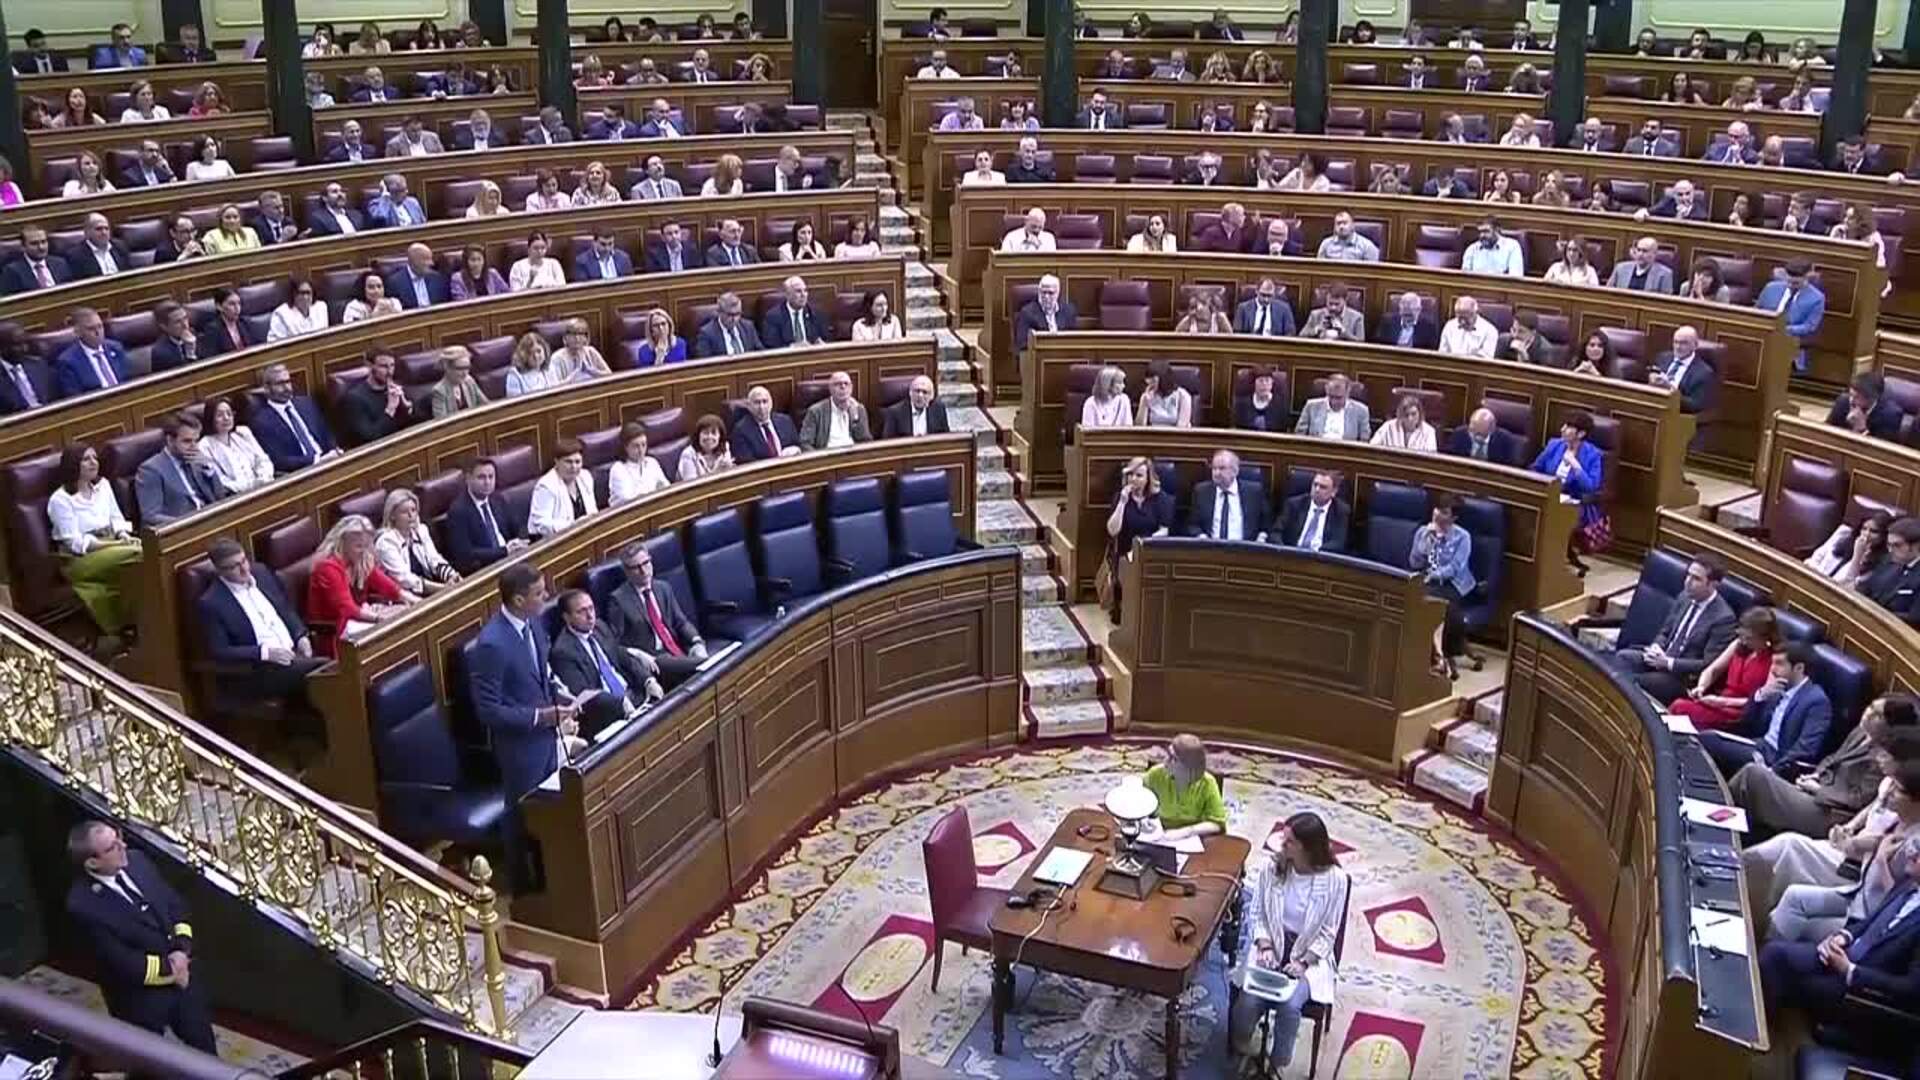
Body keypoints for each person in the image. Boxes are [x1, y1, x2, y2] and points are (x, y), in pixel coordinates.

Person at [65, 821, 216, 1055]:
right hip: (140, 998)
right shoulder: (83, 904)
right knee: (146, 1061)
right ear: (92, 863)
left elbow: (175, 906)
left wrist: (182, 950)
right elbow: (120, 961)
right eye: (112, 847)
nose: (123, 846)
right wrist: (172, 970)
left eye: (119, 837)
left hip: (183, 977)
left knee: (205, 1051)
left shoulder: (138, 861)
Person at [1229, 811, 1349, 1078]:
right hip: (1271, 943)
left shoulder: (1335, 880)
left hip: (1308, 955)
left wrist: (1303, 962)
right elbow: (1257, 913)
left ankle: (1277, 1062)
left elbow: (1329, 932)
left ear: (1308, 848)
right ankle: (1242, 1046)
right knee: (1249, 999)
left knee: (1290, 1005)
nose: (1282, 845)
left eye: (1289, 842)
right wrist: (1264, 945)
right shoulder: (1271, 868)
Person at [1763, 770, 1920, 944]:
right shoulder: (1896, 821)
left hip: (1869, 921)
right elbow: (1864, 847)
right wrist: (1849, 836)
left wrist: (1881, 861)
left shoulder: (1915, 845)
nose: (1888, 792)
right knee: (1793, 896)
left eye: (1897, 789)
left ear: (1916, 801)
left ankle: (1766, 954)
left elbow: (1899, 902)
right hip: (1855, 896)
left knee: (1789, 914)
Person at [1735, 696, 1917, 841]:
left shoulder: (1885, 757)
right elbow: (1834, 758)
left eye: (1877, 714)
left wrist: (1819, 790)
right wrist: (1815, 775)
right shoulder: (1861, 731)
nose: (1868, 713)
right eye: (1870, 706)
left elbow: (1859, 799)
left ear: (1890, 726)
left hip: (1832, 813)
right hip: (1816, 790)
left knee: (1753, 776)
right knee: (1752, 780)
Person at [473, 564, 581, 809]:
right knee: (527, 816)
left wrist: (561, 696)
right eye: (539, 593)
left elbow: (541, 673)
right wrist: (540, 716)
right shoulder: (492, 644)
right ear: (519, 600)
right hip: (520, 750)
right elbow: (488, 711)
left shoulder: (534, 622)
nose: (547, 595)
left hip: (547, 739)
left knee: (556, 814)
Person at [1698, 642, 1835, 779]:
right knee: (1707, 737)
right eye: (1772, 663)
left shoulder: (1816, 701)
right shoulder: (1777, 688)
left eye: (1779, 664)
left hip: (1774, 760)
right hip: (1759, 746)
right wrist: (1761, 695)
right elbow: (1748, 723)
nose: (1773, 670)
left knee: (1710, 743)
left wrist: (1772, 772)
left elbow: (1805, 749)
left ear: (1799, 668)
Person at [47, 445, 139, 637]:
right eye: (86, 459)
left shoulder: (103, 485)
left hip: (113, 545)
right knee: (140, 553)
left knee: (139, 558)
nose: (93, 462)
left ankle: (138, 624)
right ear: (73, 465)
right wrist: (117, 544)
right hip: (80, 559)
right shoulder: (60, 500)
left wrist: (123, 535)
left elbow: (116, 518)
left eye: (95, 458)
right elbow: (75, 544)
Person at [551, 588, 662, 733]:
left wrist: (647, 680)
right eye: (581, 612)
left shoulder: (600, 627)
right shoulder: (563, 651)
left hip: (633, 695)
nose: (590, 616)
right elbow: (584, 694)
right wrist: (619, 703)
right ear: (567, 617)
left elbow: (621, 656)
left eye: (591, 608)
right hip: (608, 713)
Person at [607, 541, 709, 689]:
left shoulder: (662, 588)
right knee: (708, 665)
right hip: (654, 659)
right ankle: (709, 662)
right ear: (627, 572)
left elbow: (681, 622)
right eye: (636, 567)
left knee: (701, 662)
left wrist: (697, 641)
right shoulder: (618, 600)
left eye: (646, 563)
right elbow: (615, 645)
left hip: (677, 649)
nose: (644, 571)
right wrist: (638, 654)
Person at [307, 515, 410, 655]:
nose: (364, 551)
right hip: (335, 634)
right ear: (342, 543)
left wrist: (415, 601)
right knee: (394, 631)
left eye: (366, 546)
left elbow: (389, 587)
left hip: (357, 623)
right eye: (358, 546)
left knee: (404, 614)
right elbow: (347, 609)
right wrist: (380, 618)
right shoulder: (327, 568)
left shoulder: (361, 561)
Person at [1669, 605, 1781, 732]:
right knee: (1679, 706)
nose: (1744, 641)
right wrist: (1701, 687)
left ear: (1765, 638)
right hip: (1718, 702)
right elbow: (1713, 670)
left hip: (1739, 712)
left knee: (1680, 707)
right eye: (1742, 636)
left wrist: (1722, 702)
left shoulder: (1775, 659)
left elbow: (1762, 699)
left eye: (1749, 638)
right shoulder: (1738, 644)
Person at [1532, 412, 1608, 572]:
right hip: (1549, 496)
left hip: (1576, 503)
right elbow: (1535, 468)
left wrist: (1576, 465)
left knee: (1554, 517)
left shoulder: (1593, 455)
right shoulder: (1554, 445)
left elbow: (1591, 487)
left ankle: (1553, 562)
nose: (1562, 429)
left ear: (1581, 434)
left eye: (1568, 427)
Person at [1411, 494, 1474, 674]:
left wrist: (1433, 576)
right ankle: (1436, 654)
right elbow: (1414, 562)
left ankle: (1436, 656)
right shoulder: (1422, 532)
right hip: (1427, 581)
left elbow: (1454, 568)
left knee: (1432, 603)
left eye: (1444, 512)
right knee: (1423, 599)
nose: (1438, 514)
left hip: (1453, 584)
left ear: (1454, 518)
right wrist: (1425, 541)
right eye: (1437, 509)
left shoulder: (1462, 537)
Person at [1104, 456, 1175, 617]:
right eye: (1130, 474)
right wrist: (1122, 503)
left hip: (1151, 551)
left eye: (1139, 475)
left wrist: (1142, 547)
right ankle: (1128, 614)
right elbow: (1112, 531)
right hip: (1125, 553)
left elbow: (1164, 530)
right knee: (1128, 571)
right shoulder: (1120, 497)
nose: (1133, 479)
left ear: (1148, 478)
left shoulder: (1161, 499)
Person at [134, 413, 224, 527]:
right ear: (170, 440)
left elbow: (220, 497)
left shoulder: (197, 460)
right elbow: (151, 516)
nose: (194, 446)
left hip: (211, 522)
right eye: (187, 441)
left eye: (196, 440)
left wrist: (209, 469)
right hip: (184, 529)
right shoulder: (150, 470)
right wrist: (189, 523)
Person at [446, 459, 530, 574]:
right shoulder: (458, 511)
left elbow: (519, 527)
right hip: (487, 568)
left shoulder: (497, 499)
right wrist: (504, 551)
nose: (487, 482)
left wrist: (520, 542)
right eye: (481, 477)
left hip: (512, 558)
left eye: (491, 477)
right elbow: (465, 553)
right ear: (468, 479)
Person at [251, 364, 339, 473]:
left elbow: (325, 433)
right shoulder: (262, 421)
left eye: (288, 382)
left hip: (330, 462)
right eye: (280, 384)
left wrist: (334, 451)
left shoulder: (306, 403)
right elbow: (279, 461)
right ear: (267, 388)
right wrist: (317, 460)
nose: (287, 388)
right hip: (303, 472)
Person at [1756, 258, 1829, 374]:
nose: (1790, 285)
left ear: (1807, 277)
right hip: (1764, 334)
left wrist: (1782, 330)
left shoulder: (1817, 298)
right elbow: (1757, 311)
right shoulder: (1771, 288)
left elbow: (1809, 326)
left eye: (1796, 283)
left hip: (1790, 339)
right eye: (1788, 282)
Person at [1185, 450, 1267, 542]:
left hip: (1245, 548)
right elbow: (1192, 525)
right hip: (1211, 548)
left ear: (1235, 471)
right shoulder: (1201, 491)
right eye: (1214, 468)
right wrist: (1201, 537)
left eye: (1222, 468)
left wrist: (1261, 537)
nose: (1216, 473)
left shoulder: (1254, 492)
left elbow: (1266, 525)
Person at [199, 395, 273, 495]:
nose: (226, 418)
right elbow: (220, 480)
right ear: (210, 418)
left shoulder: (243, 433)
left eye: (229, 414)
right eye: (220, 415)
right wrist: (251, 487)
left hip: (264, 487)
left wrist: (263, 479)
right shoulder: (204, 446)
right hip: (237, 496)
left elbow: (262, 459)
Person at [338, 351, 413, 446]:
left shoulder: (395, 388)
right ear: (370, 366)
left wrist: (406, 406)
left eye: (392, 365)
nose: (390, 372)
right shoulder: (354, 399)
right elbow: (370, 437)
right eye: (384, 366)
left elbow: (412, 424)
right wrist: (390, 410)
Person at [528, 439, 598, 539]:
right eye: (568, 462)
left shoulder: (585, 477)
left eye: (577, 462)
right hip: (553, 540)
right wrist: (572, 526)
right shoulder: (546, 486)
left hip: (583, 535)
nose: (574, 467)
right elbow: (541, 524)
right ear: (557, 461)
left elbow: (593, 511)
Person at [53, 308, 130, 398]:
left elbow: (129, 380)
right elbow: (75, 399)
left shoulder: (116, 348)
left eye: (100, 326)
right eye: (91, 329)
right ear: (78, 332)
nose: (98, 332)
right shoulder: (68, 362)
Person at [1857, 518, 1920, 626]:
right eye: (1889, 545)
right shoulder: (1888, 561)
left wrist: (1876, 614)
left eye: (1897, 545)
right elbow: (1866, 587)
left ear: (1915, 546)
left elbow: (1914, 618)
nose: (1890, 550)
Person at [1808, 511, 1892, 588]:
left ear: (1884, 536)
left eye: (1874, 531)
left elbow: (1849, 584)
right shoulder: (1843, 534)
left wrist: (1857, 555)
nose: (1866, 534)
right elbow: (1816, 558)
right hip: (1813, 579)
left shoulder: (1880, 562)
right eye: (1864, 528)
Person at [1649, 325, 1716, 414]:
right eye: (1675, 342)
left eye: (1683, 343)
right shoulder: (1662, 357)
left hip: (1677, 414)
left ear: (1695, 345)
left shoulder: (1704, 373)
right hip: (1653, 405)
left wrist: (1672, 391)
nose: (1678, 347)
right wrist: (1651, 379)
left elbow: (1695, 405)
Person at [798, 371, 873, 449]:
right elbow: (805, 442)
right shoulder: (816, 411)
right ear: (830, 388)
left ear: (851, 388)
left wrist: (855, 417)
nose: (843, 387)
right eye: (838, 384)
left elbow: (865, 441)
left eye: (846, 384)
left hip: (853, 454)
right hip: (827, 454)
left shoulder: (859, 409)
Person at [608, 423, 672, 508]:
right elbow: (628, 500)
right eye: (636, 446)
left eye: (643, 445)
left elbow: (667, 489)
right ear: (625, 447)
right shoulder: (618, 469)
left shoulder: (652, 463)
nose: (641, 450)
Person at [731, 387, 802, 463]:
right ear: (749, 406)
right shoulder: (741, 431)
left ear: (771, 404)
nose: (761, 407)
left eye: (765, 402)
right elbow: (746, 462)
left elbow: (798, 444)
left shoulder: (785, 421)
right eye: (757, 403)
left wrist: (796, 450)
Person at [1013, 274, 1079, 352]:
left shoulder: (1068, 311)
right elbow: (1022, 344)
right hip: (1039, 355)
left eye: (1051, 293)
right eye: (1043, 292)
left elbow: (1074, 339)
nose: (1046, 297)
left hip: (1064, 354)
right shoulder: (1027, 313)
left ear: (1057, 293)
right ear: (1039, 292)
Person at [1, 227, 74, 295]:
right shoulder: (12, 271)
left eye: (43, 242)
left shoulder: (61, 263)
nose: (41, 247)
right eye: (34, 244)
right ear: (23, 247)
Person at [1295, 373, 1369, 440]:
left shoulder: (1361, 411)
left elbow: (1364, 439)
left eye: (1338, 398)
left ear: (1348, 392)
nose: (1334, 402)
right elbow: (1299, 434)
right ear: (1326, 390)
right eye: (1331, 396)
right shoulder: (1311, 406)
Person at [762, 276, 830, 349]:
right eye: (798, 291)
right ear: (787, 295)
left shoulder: (815, 313)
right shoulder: (774, 316)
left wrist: (822, 344)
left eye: (805, 291)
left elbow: (826, 339)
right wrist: (791, 347)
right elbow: (771, 345)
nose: (803, 295)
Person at [695, 293, 764, 358]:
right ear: (719, 312)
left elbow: (760, 353)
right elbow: (705, 362)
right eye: (730, 315)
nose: (734, 319)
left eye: (738, 314)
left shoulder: (748, 327)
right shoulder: (707, 334)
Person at [1445, 408, 1521, 466]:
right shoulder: (1459, 434)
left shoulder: (1505, 440)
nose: (1475, 437)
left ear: (1491, 430)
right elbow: (1448, 460)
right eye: (1472, 431)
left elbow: (1512, 468)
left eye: (1479, 434)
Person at [881, 376, 949, 438]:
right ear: (910, 393)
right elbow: (888, 441)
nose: (920, 396)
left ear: (931, 396)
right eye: (917, 391)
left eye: (925, 392)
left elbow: (946, 436)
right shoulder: (895, 412)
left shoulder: (939, 409)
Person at [430, 345, 486, 417]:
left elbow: (485, 405)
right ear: (447, 367)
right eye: (460, 368)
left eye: (467, 367)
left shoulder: (469, 381)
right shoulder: (439, 391)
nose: (465, 373)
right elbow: (441, 420)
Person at [1607, 237, 1676, 294]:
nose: (1640, 254)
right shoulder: (1621, 268)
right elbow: (1608, 292)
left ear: (1654, 254)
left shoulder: (1664, 274)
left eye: (1645, 251)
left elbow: (1665, 301)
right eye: (1638, 250)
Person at [70, 214, 130, 280]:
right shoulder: (76, 255)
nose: (104, 232)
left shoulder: (119, 246)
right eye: (98, 229)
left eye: (106, 228)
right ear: (87, 232)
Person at [1136, 360, 1194, 426]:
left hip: (1174, 432)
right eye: (1148, 379)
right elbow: (1140, 427)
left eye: (1153, 380)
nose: (1149, 383)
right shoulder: (1147, 396)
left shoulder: (1182, 396)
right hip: (1152, 432)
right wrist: (1144, 403)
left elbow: (1182, 427)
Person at [1371, 395, 1437, 452]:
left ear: (1420, 414)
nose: (1410, 419)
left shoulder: (1429, 431)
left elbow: (1431, 457)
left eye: (1414, 414)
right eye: (1406, 415)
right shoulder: (1388, 426)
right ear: (1400, 415)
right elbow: (1372, 447)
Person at [678, 414, 736, 480]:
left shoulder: (725, 447)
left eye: (714, 433)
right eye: (705, 433)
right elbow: (691, 484)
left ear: (720, 437)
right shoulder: (688, 454)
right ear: (698, 436)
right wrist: (716, 472)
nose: (709, 437)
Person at [1233, 367, 1287, 432]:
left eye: (1267, 380)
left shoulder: (1281, 404)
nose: (1264, 384)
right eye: (1261, 381)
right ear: (1253, 383)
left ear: (1272, 383)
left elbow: (1282, 430)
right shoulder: (1242, 404)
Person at [1299, 289, 1364, 342]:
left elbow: (1361, 342)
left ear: (1345, 301)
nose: (1333, 308)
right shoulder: (1315, 315)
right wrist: (1317, 329)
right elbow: (1301, 336)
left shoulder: (1357, 317)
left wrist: (1344, 332)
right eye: (1330, 303)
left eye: (1337, 304)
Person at [505, 332, 556, 397]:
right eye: (530, 353)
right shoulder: (515, 375)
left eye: (538, 351)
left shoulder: (549, 368)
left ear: (545, 350)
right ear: (523, 355)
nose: (536, 356)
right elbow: (515, 402)